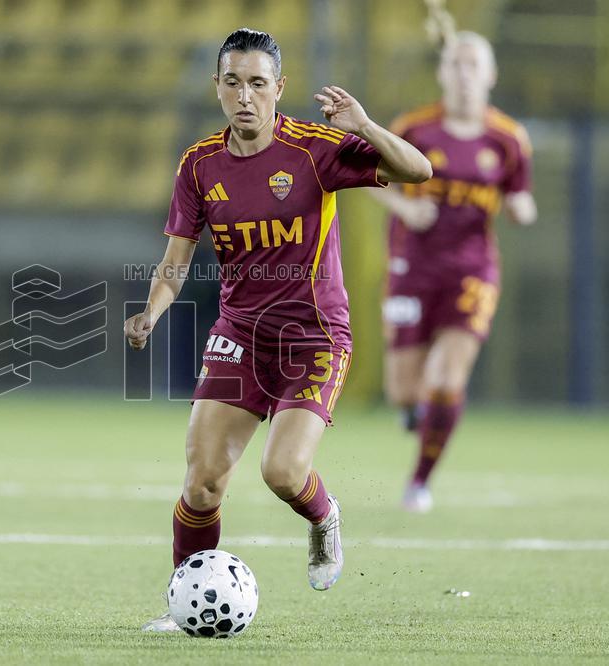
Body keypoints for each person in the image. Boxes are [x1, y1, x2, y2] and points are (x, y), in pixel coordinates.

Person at [124, 28, 431, 631]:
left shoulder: (314, 149)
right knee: (204, 480)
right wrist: (152, 311)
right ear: (216, 88)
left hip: (314, 337)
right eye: (233, 82)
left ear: (278, 89)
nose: (245, 96)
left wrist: (364, 125)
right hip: (240, 334)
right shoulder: (198, 165)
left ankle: (323, 517)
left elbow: (417, 171)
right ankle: (183, 603)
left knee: (281, 473)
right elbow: (175, 262)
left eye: (258, 84)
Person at [369, 32, 537, 513]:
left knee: (446, 377)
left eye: (473, 65)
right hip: (411, 268)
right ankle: (414, 412)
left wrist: (521, 208)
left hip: (472, 271)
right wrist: (404, 205)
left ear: (490, 75)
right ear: (442, 73)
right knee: (403, 390)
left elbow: (518, 193)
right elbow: (369, 178)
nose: (464, 74)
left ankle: (419, 481)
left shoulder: (508, 138)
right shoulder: (415, 129)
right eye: (455, 64)